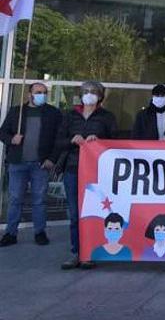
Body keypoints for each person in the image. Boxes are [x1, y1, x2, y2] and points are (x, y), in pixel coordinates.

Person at [56, 81, 117, 270]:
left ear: (100, 96)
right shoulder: (70, 116)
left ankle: (90, 252)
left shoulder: (107, 117)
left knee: (94, 213)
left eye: (93, 92)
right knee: (75, 214)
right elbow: (59, 141)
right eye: (86, 91)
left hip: (96, 173)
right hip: (73, 169)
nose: (89, 94)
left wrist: (99, 142)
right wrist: (72, 140)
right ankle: (77, 252)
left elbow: (115, 142)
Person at [0, 82, 62, 247]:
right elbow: (2, 132)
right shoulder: (17, 112)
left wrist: (52, 159)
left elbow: (59, 138)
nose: (42, 95)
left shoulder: (53, 113)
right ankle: (10, 233)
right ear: (29, 94)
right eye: (38, 92)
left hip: (40, 164)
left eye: (44, 92)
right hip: (17, 163)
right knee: (15, 200)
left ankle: (39, 232)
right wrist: (11, 139)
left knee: (39, 200)